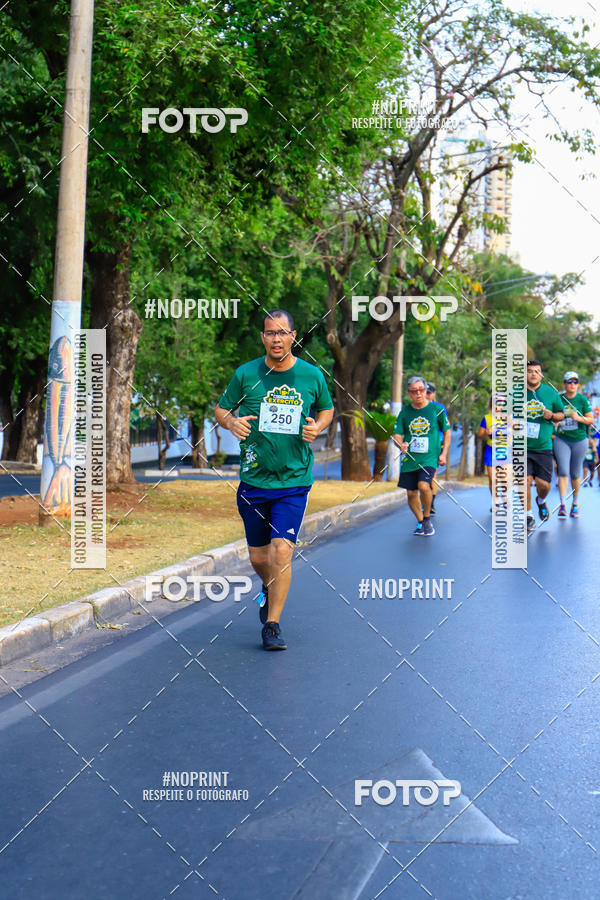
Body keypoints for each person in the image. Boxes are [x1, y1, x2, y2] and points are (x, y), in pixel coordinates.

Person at [215, 309, 334, 650]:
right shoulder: (245, 373)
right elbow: (222, 409)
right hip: (254, 480)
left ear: (294, 336)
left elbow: (326, 409)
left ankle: (272, 625)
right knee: (259, 558)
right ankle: (270, 587)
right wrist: (230, 422)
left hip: (294, 481)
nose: (276, 339)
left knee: (281, 552)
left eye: (282, 332)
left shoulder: (311, 376)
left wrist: (318, 426)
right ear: (263, 337)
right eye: (270, 333)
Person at [392, 375, 451, 536]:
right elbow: (396, 435)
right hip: (410, 459)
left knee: (424, 486)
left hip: (429, 457)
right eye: (414, 391)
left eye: (421, 390)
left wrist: (444, 453)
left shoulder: (436, 410)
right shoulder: (405, 412)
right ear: (409, 393)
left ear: (425, 391)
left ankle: (426, 518)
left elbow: (447, 432)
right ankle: (420, 522)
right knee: (411, 493)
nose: (418, 393)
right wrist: (400, 444)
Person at [525, 360, 564, 533]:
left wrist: (552, 415)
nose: (533, 374)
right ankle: (528, 516)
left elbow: (562, 415)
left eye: (537, 371)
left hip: (543, 446)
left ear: (541, 374)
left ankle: (541, 501)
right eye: (530, 371)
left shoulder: (550, 393)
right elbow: (504, 414)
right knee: (523, 481)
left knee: (544, 485)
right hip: (521, 446)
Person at [554, 371, 593, 517]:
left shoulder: (582, 400)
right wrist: (555, 421)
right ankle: (563, 504)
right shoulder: (558, 399)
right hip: (562, 439)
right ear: (564, 384)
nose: (572, 384)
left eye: (575, 382)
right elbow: (552, 416)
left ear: (578, 385)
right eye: (569, 381)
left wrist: (578, 418)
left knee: (575, 473)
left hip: (579, 440)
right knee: (563, 471)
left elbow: (590, 420)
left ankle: (575, 504)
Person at [477, 394, 510, 508]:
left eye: (501, 402)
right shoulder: (487, 418)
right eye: (496, 402)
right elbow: (480, 435)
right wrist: (486, 432)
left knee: (504, 477)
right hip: (491, 449)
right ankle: (495, 501)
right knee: (492, 478)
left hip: (505, 450)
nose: (498, 405)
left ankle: (505, 495)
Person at [426, 382, 450, 516]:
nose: (427, 395)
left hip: (436, 443)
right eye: (425, 392)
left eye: (429, 393)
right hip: (421, 446)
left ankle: (431, 502)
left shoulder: (439, 408)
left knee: (432, 473)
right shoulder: (417, 407)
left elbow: (446, 427)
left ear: (434, 393)